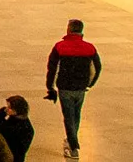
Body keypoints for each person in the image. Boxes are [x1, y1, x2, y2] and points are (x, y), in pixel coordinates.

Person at [44, 18, 102, 159]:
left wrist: (50, 87)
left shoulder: (60, 47)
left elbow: (52, 68)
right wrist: (90, 83)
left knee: (69, 117)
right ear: (81, 31)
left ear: (69, 30)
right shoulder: (90, 48)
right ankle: (71, 140)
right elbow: (97, 67)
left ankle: (73, 146)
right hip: (81, 89)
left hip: (65, 87)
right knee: (76, 115)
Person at [0, 95, 34, 162]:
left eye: (9, 107)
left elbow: (17, 151)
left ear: (17, 110)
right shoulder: (8, 115)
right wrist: (0, 115)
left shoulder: (26, 129)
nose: (6, 109)